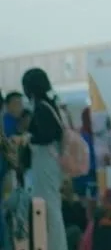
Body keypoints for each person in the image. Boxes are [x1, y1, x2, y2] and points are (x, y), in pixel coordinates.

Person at [16, 68, 68, 250]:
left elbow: (47, 135)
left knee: (49, 208)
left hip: (46, 160)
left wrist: (27, 138)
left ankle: (56, 246)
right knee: (50, 206)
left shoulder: (41, 107)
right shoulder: (49, 104)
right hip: (50, 161)